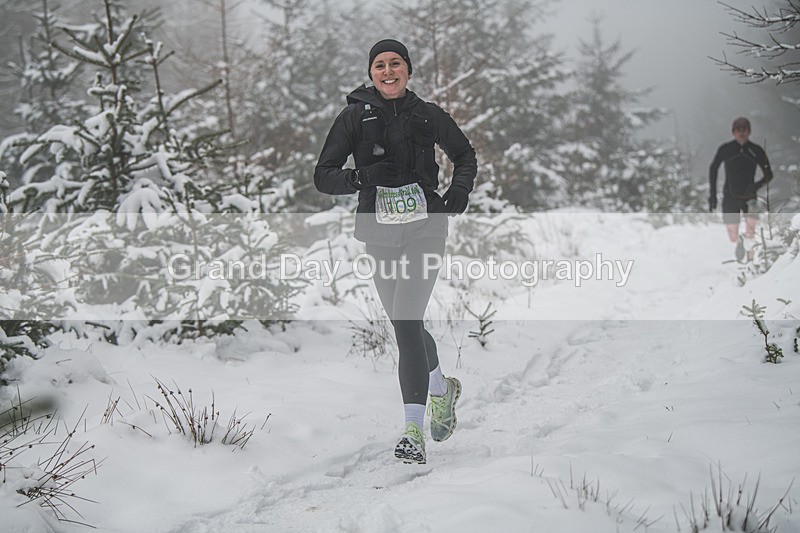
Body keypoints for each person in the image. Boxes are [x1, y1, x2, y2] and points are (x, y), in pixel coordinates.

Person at [314, 38, 477, 464]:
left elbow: (464, 154)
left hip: (426, 228)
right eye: (380, 65)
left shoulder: (428, 115)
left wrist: (458, 190)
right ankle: (442, 387)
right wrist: (361, 177)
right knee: (407, 326)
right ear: (371, 73)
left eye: (396, 64)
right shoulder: (353, 117)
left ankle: (411, 431)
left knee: (406, 321)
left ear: (408, 70)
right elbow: (323, 175)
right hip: (378, 231)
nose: (388, 71)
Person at [709, 117, 773, 262]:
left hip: (750, 196)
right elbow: (713, 169)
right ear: (733, 132)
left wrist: (756, 186)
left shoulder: (756, 150)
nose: (741, 133)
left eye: (744, 129)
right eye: (738, 130)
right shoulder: (726, 149)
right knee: (732, 234)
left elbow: (769, 174)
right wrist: (712, 195)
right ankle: (739, 242)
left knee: (751, 232)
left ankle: (750, 261)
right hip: (730, 195)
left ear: (749, 131)